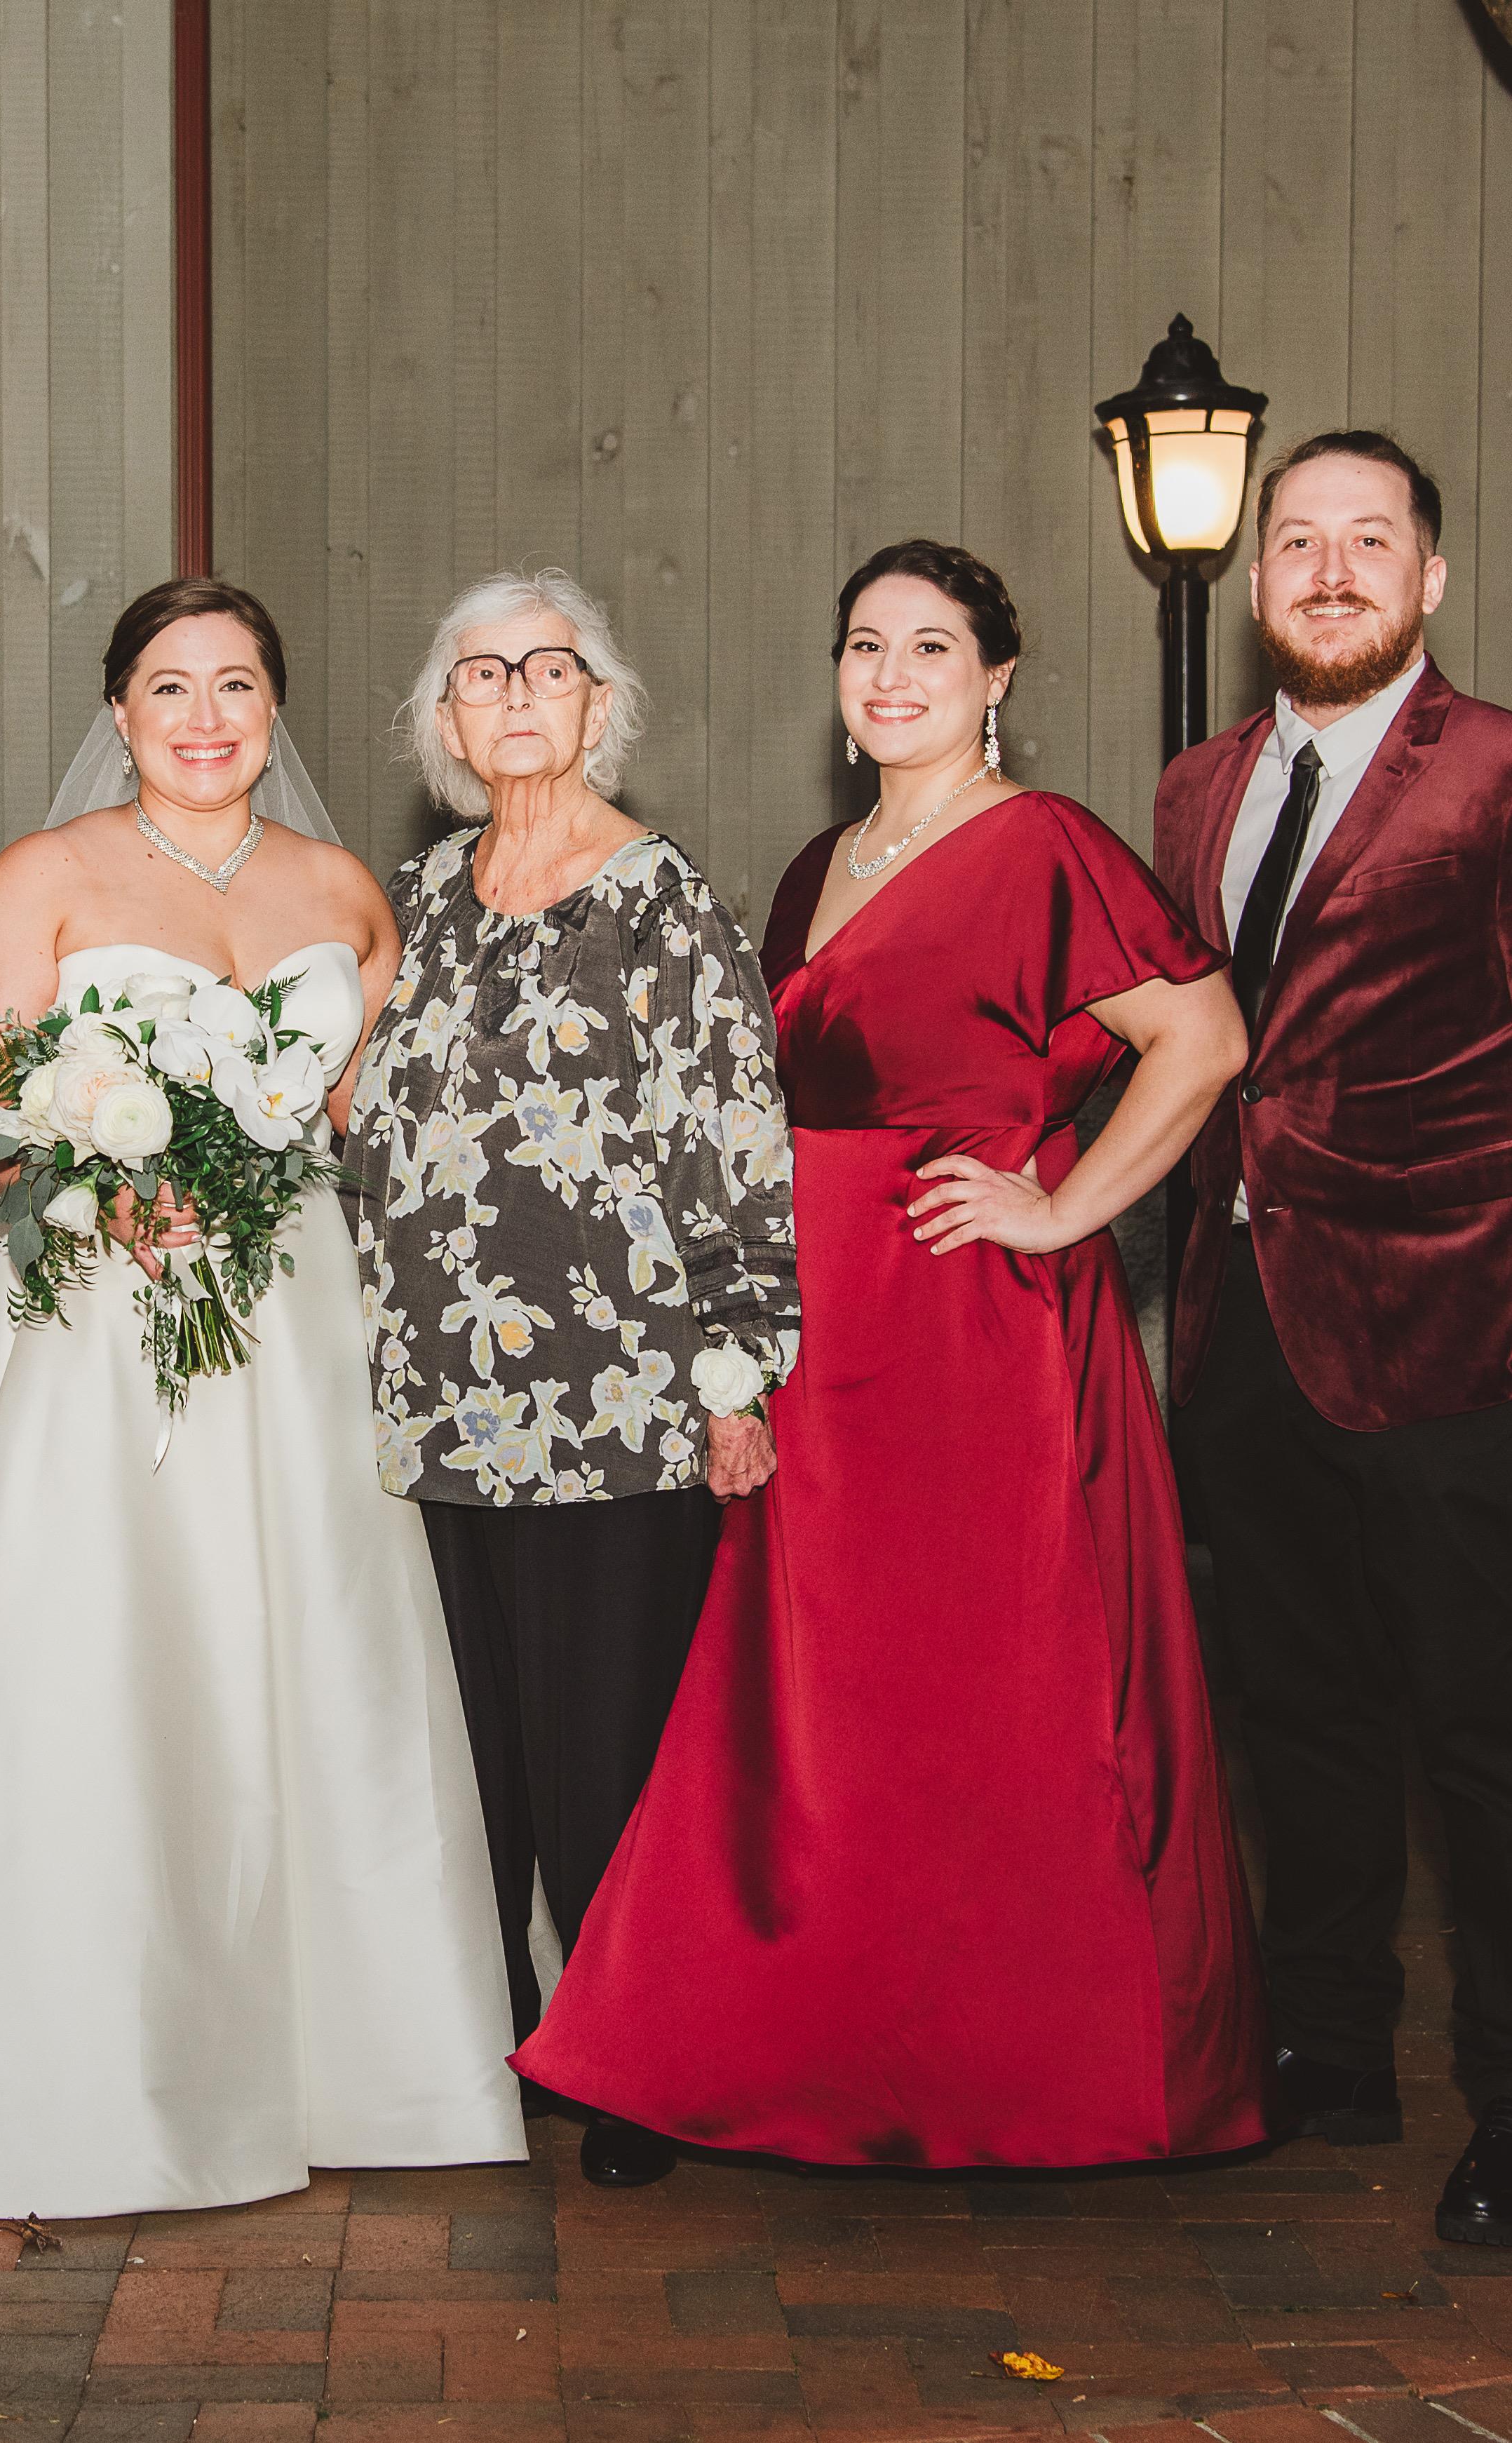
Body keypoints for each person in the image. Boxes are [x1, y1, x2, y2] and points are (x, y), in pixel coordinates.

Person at [0, 576, 522, 2219]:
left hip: (295, 1317)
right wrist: (92, 1170)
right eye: (167, 686)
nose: (202, 716)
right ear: (118, 711)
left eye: (235, 683)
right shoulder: (45, 874)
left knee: (315, 1649)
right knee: (91, 1644)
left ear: (274, 707)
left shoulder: (348, 892)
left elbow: (370, 1119)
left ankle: (352, 2046)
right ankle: (53, 2027)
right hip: (94, 1316)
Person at [515, 541, 1271, 2181]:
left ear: (997, 677)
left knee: (981, 1697)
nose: (892, 674)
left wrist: (1062, 1206)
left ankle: (1000, 2065)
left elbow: (1201, 1039)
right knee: (796, 1701)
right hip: (809, 1323)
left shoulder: (1049, 847)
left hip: (965, 1327)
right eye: (865, 643)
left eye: (932, 646)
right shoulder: (816, 864)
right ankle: (754, 2047)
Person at [1154, 432, 1512, 2249]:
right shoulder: (1199, 790)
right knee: (1300, 1717)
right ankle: (1328, 2041)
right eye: (1298, 539)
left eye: (1367, 539)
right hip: (1245, 1349)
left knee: (1483, 1732)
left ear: (1428, 579)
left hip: (1457, 1354)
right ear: (1258, 578)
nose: (1327, 566)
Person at [349, 569, 798, 2192]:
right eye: (482, 673)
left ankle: (635, 2065)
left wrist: (738, 1370)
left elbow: (733, 1141)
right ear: (445, 720)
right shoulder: (427, 890)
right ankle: (509, 2026)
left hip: (618, 1396)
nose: (518, 694)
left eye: (550, 667)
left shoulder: (658, 893)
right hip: (437, 1392)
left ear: (599, 703)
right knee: (482, 1754)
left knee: (611, 1748)